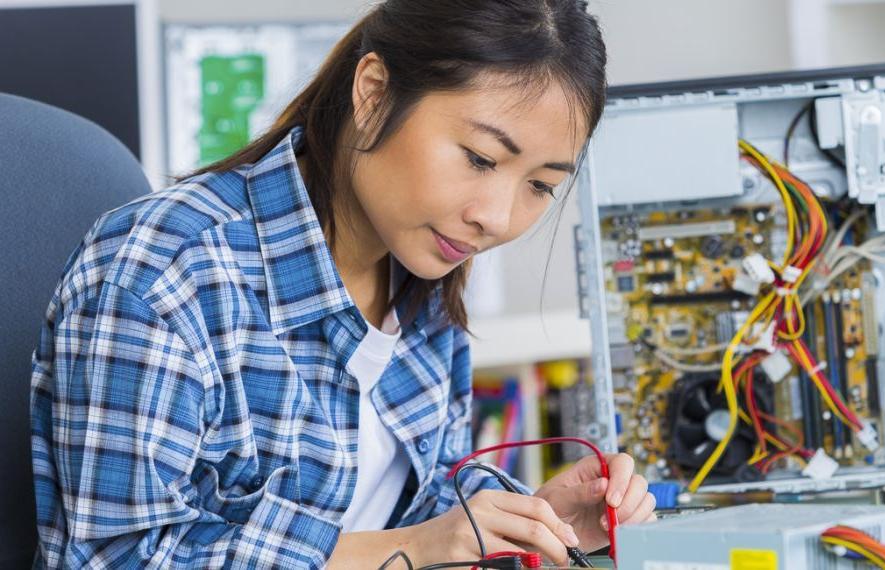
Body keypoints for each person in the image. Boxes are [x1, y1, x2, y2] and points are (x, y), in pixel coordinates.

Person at [29, 1, 656, 567]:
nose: (496, 215)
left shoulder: (427, 274)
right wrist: (411, 547)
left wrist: (530, 520)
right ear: (375, 92)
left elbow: (424, 498)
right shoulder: (166, 272)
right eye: (480, 158)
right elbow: (121, 559)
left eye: (540, 185)